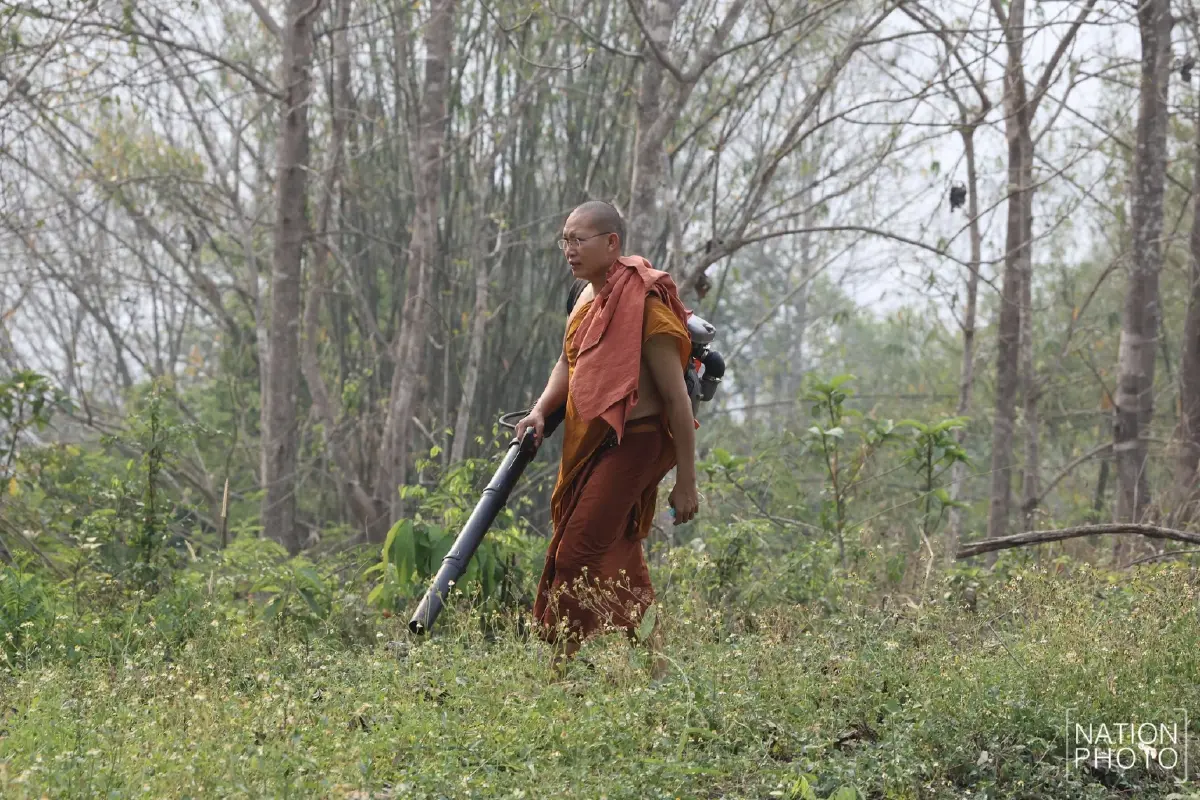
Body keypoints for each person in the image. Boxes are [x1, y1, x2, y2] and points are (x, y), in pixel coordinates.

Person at [515, 201, 699, 680]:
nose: (569, 250)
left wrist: (687, 483)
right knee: (618, 554)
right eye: (565, 240)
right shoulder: (583, 297)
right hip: (598, 443)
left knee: (575, 553)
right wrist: (539, 410)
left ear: (611, 243)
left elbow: (679, 402)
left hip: (638, 442)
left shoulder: (646, 306)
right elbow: (567, 362)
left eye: (580, 240)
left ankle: (560, 669)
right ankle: (657, 669)